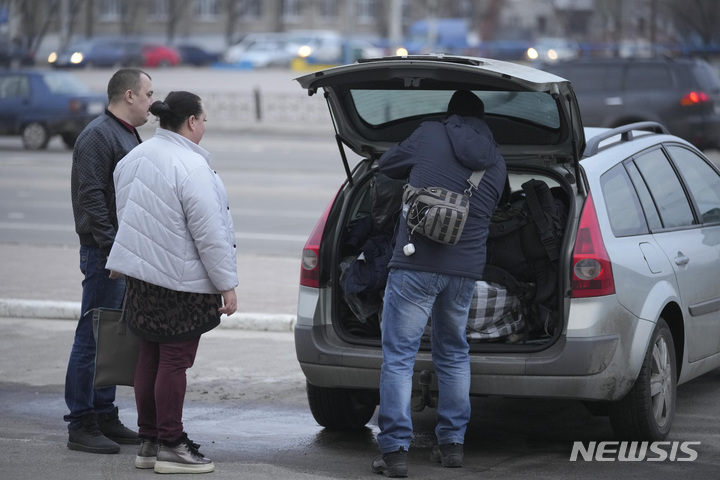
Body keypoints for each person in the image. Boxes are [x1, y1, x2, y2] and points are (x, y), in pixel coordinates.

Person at [371, 90, 507, 477]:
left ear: (451, 116)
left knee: (399, 356)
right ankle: (452, 445)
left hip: (416, 263)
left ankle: (395, 450)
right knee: (453, 353)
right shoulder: (496, 161)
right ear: (484, 121)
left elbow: (387, 164)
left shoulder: (430, 133)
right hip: (464, 271)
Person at [107, 91, 239, 474]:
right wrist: (226, 284)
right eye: (205, 119)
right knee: (175, 362)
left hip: (142, 279)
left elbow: (126, 217)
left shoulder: (133, 158)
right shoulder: (192, 167)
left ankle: (149, 441)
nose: (205, 126)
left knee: (149, 354)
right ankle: (172, 443)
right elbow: (210, 234)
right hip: (182, 282)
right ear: (192, 122)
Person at [66, 68, 154, 454]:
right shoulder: (97, 135)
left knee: (111, 337)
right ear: (130, 95)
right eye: (150, 93)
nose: (154, 100)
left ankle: (104, 413)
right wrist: (113, 249)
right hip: (106, 253)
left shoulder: (125, 132)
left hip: (120, 252)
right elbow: (92, 198)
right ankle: (81, 422)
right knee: (92, 337)